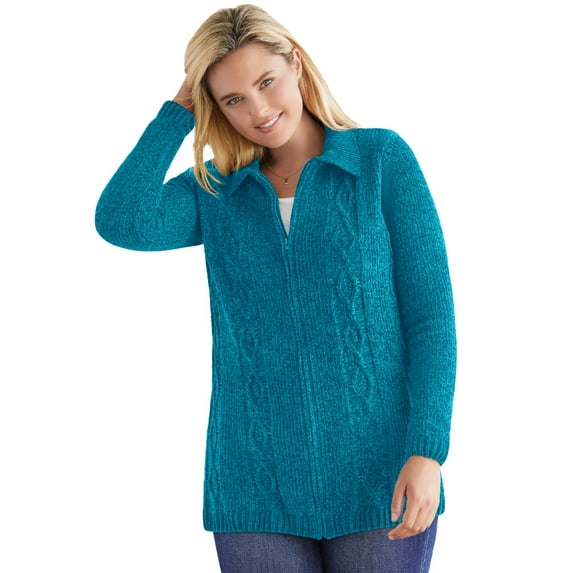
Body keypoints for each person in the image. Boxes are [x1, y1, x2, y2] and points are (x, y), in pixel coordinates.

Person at [95, 4, 456, 572]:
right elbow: (122, 219)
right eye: (233, 99)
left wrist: (427, 450)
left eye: (266, 82)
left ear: (296, 64)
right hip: (253, 483)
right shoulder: (215, 191)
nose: (259, 111)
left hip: (380, 476)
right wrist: (177, 113)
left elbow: (430, 320)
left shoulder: (380, 161)